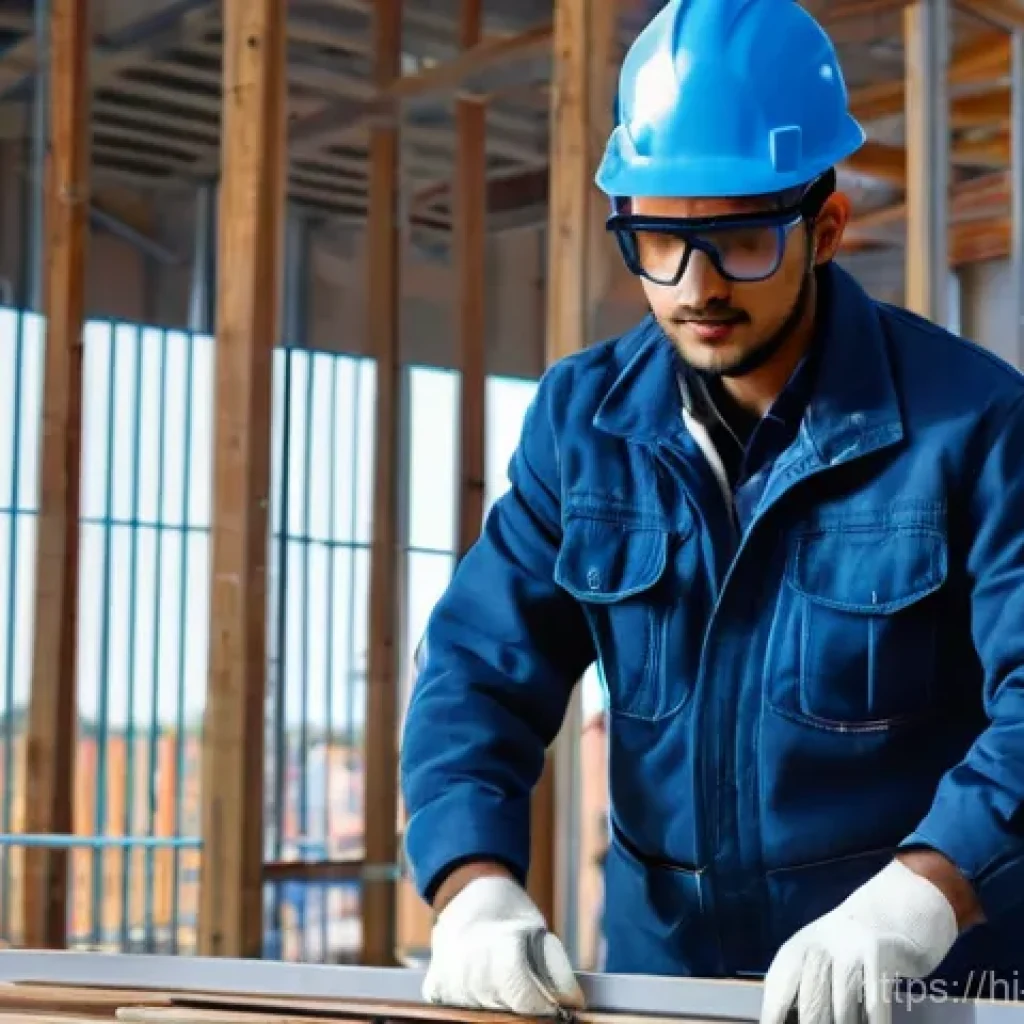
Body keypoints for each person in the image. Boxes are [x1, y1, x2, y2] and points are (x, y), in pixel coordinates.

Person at [398, 0, 1024, 1021]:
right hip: (665, 987)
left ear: (824, 229)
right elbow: (476, 668)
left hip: (914, 987)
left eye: (739, 240)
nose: (696, 286)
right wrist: (471, 884)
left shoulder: (972, 425)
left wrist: (921, 895)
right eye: (658, 240)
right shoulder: (583, 426)